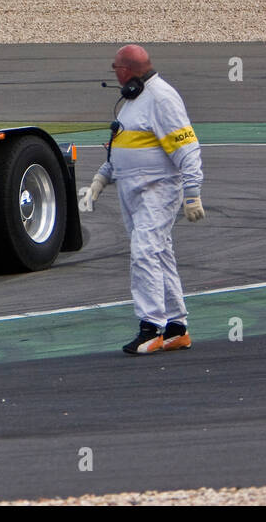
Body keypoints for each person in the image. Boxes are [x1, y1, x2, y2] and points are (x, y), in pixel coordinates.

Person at [88, 44, 206, 355]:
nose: (114, 73)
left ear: (126, 70)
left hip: (158, 190)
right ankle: (177, 327)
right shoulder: (131, 101)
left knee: (144, 251)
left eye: (115, 67)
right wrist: (101, 179)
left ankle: (151, 326)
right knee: (159, 253)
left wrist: (192, 193)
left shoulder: (161, 98)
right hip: (132, 190)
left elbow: (187, 147)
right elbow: (122, 147)